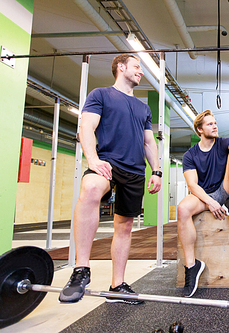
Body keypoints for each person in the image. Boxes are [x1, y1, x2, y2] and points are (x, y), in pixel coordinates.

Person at [59, 54, 161, 305]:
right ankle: (81, 269)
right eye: (137, 67)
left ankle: (117, 286)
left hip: (135, 170)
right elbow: (86, 128)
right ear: (121, 67)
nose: (141, 72)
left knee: (124, 227)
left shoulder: (143, 107)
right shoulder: (100, 94)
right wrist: (92, 159)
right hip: (107, 162)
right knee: (91, 187)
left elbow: (149, 142)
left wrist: (156, 171)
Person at [177, 110, 229, 297]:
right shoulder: (190, 155)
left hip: (225, 189)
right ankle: (192, 267)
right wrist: (210, 202)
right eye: (210, 124)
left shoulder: (223, 143)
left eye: (215, 122)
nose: (215, 126)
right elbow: (192, 185)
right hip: (205, 195)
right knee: (182, 208)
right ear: (199, 130)